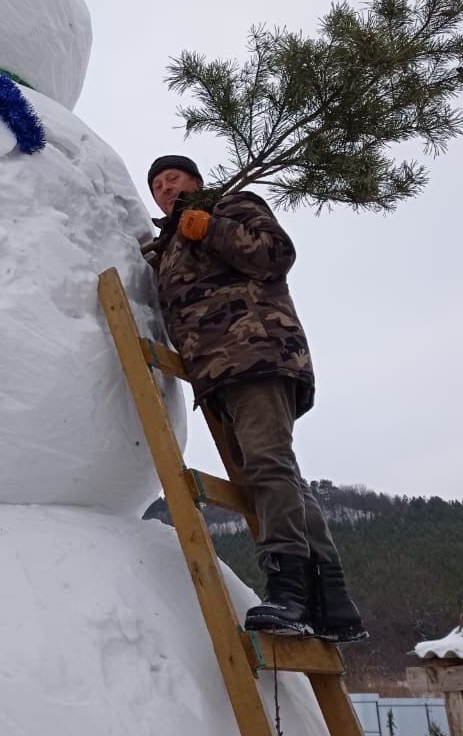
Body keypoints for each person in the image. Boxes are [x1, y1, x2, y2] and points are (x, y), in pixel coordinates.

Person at [145, 155, 366, 641]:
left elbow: (275, 254)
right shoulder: (168, 245)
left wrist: (212, 228)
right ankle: (332, 603)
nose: (165, 188)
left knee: (267, 465)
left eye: (173, 178)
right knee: (274, 471)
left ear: (197, 182)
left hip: (256, 351)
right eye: (158, 185)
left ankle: (288, 591)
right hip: (218, 371)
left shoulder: (232, 206)